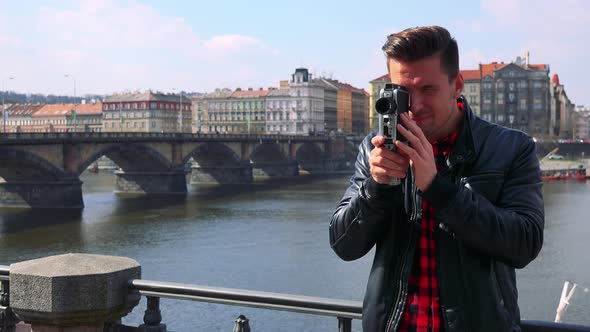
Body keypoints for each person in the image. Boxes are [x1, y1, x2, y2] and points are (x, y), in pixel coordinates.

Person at [329, 26, 544, 332]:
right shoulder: (375, 149)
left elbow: (525, 244)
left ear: (457, 85)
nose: (414, 107)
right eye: (403, 92)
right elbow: (344, 246)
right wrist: (376, 188)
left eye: (427, 90)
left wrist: (438, 189)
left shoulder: (511, 148)